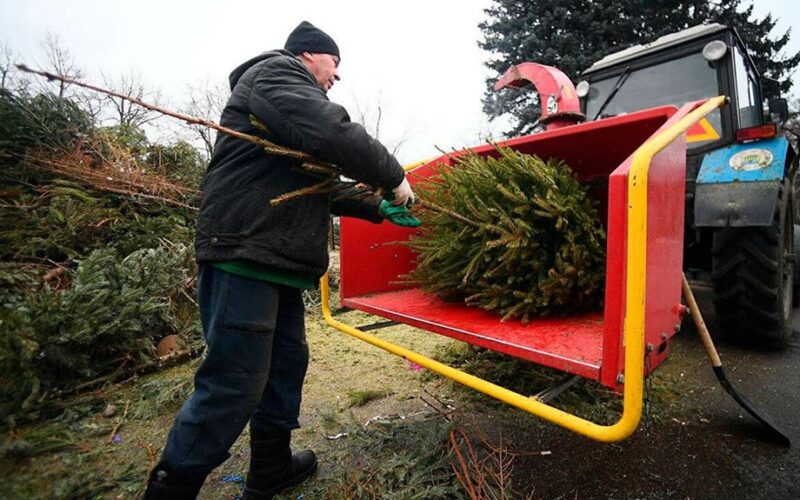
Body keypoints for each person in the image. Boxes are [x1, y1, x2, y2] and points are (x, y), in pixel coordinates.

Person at [144, 21, 419, 499]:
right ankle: (170, 489)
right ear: (311, 55)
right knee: (235, 382)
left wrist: (377, 205)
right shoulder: (274, 75)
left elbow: (314, 185)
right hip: (243, 251)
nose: (336, 77)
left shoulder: (281, 108)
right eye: (335, 65)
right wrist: (392, 175)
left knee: (285, 367)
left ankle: (270, 469)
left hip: (276, 260)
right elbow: (331, 132)